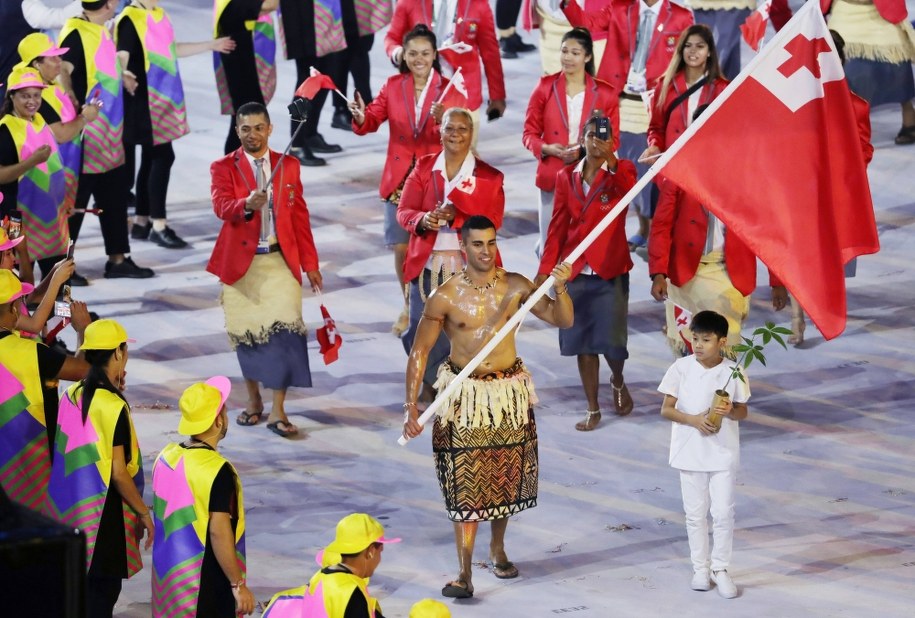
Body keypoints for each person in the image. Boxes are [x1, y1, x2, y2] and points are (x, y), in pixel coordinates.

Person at [402, 215, 574, 599]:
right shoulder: (443, 296)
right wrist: (410, 406)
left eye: (491, 243)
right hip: (463, 398)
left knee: (503, 477)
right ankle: (464, 572)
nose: (486, 251)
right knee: (465, 484)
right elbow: (420, 351)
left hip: (506, 394)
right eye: (478, 244)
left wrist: (560, 289)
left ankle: (497, 548)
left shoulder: (515, 286)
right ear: (463, 247)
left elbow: (561, 319)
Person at [208, 101, 322, 438]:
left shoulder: (290, 166)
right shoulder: (222, 167)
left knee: (286, 333)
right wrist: (245, 205)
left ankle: (278, 409)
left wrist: (311, 264)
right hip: (241, 266)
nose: (252, 134)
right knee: (248, 337)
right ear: (236, 131)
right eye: (245, 129)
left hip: (279, 261)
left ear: (270, 129)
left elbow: (300, 217)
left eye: (259, 127)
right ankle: (254, 400)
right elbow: (220, 206)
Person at [648, 103, 786, 356]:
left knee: (725, 342)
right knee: (691, 347)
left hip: (728, 273)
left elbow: (766, 231)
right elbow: (661, 225)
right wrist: (658, 272)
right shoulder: (679, 170)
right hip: (686, 272)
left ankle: (725, 395)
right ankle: (693, 394)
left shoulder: (749, 174)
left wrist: (777, 281)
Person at [561, 0, 693, 250]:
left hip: (652, 104)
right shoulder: (620, 7)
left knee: (647, 168)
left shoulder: (681, 16)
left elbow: (686, 62)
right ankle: (630, 228)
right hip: (613, 101)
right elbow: (586, 23)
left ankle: (654, 230)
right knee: (607, 161)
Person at [46, 318, 153, 617]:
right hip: (104, 519)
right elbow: (119, 472)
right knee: (102, 598)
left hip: (70, 512)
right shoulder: (113, 405)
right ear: (118, 354)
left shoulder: (71, 394)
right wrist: (144, 513)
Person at [349, 24, 450, 337]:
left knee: (437, 251)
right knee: (401, 249)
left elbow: (462, 133)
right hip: (400, 182)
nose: (418, 59)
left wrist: (445, 118)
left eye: (425, 53)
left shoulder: (448, 89)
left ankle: (438, 309)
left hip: (435, 180)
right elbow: (372, 119)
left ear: (434, 55)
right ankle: (409, 304)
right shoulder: (393, 86)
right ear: (403, 56)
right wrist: (361, 116)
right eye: (412, 53)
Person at [537, 115, 636, 431]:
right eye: (592, 135)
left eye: (603, 136)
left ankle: (617, 379)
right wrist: (545, 272)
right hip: (575, 271)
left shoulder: (623, 172)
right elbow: (556, 228)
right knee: (582, 342)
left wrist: (611, 160)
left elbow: (629, 192)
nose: (596, 141)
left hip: (610, 270)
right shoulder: (566, 177)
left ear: (613, 141)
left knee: (612, 343)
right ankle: (593, 408)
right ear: (582, 137)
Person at [397, 108, 505, 397]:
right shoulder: (423, 167)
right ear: (440, 132)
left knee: (465, 332)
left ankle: (459, 390)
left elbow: (494, 220)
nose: (456, 134)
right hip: (427, 267)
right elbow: (404, 211)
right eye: (449, 128)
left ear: (472, 134)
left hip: (468, 270)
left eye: (462, 128)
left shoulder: (489, 177)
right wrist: (422, 220)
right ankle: (432, 381)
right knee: (418, 332)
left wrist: (458, 216)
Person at [116, 0, 235, 249]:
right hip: (142, 100)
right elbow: (121, 55)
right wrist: (123, 73)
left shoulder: (158, 14)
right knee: (162, 157)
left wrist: (210, 45)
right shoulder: (129, 18)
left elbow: (172, 50)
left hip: (161, 99)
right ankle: (158, 225)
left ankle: (141, 221)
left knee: (152, 157)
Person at [59, 0, 156, 279]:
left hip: (111, 132)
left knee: (113, 197)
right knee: (77, 202)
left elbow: (98, 67)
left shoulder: (99, 28)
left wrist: (121, 74)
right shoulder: (77, 32)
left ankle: (117, 259)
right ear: (109, 4)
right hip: (88, 134)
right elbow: (64, 70)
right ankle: (62, 266)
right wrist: (73, 102)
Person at [658, 310, 748, 599]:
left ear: (721, 342)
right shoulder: (680, 368)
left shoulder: (733, 371)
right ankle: (700, 567)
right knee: (695, 514)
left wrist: (729, 410)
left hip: (721, 452)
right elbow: (666, 409)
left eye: (705, 340)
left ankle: (720, 568)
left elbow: (742, 410)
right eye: (694, 338)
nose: (697, 345)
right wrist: (694, 420)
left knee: (722, 512)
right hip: (690, 450)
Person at [151, 377, 255, 616]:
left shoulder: (166, 456)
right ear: (218, 421)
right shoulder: (217, 470)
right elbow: (219, 532)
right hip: (204, 584)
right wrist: (237, 584)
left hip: (169, 582)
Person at [522, 27, 619, 257]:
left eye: (575, 53)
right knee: (549, 245)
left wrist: (583, 150)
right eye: (564, 51)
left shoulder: (603, 95)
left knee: (582, 244)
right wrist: (546, 148)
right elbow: (529, 133)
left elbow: (608, 140)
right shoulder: (545, 87)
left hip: (588, 178)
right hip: (552, 176)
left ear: (587, 57)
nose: (568, 57)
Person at [0, 268, 88, 511]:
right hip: (29, 468)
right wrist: (83, 331)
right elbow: (84, 370)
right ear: (15, 308)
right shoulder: (32, 353)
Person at [772, 0, 915, 145]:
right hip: (845, 12)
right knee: (844, 68)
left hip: (883, 14)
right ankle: (848, 125)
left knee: (897, 56)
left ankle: (909, 115)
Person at [19, 32, 101, 285]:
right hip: (34, 190)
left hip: (51, 183)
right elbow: (61, 134)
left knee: (48, 252)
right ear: (36, 64)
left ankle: (49, 309)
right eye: (53, 59)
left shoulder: (47, 87)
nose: (59, 63)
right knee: (23, 252)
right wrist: (85, 117)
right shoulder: (31, 93)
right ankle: (22, 311)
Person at [385, 0, 507, 147]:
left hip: (465, 96)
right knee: (425, 160)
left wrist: (497, 95)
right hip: (422, 97)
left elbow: (490, 52)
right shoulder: (410, 2)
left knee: (464, 158)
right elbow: (392, 38)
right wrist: (398, 53)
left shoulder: (478, 4)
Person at [0, 66, 71, 278]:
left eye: (36, 95)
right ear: (12, 96)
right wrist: (32, 161)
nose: (32, 101)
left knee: (60, 274)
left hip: (51, 213)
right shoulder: (5, 130)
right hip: (16, 218)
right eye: (25, 96)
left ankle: (63, 311)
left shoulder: (40, 121)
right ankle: (22, 310)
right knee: (17, 276)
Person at [262, 513, 400, 617]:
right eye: (380, 552)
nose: (379, 559)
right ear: (370, 552)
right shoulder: (351, 592)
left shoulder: (319, 578)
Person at [641, 25, 728, 164]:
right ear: (682, 50)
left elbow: (727, 134)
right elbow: (656, 128)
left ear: (709, 52)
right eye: (688, 45)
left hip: (703, 170)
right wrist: (655, 146)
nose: (693, 50)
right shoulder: (665, 86)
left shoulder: (722, 89)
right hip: (670, 171)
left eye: (700, 46)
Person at [276, 0, 344, 166]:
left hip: (325, 9)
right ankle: (297, 143)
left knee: (327, 74)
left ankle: (310, 133)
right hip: (301, 11)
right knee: (307, 78)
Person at [214, 0, 278, 155]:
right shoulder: (231, 4)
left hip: (247, 62)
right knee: (246, 119)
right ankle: (232, 172)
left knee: (247, 120)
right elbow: (271, 5)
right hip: (240, 64)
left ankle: (239, 171)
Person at [689, 0, 754, 80]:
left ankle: (709, 89)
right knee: (728, 55)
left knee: (715, 55)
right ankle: (728, 89)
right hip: (701, 4)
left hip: (736, 4)